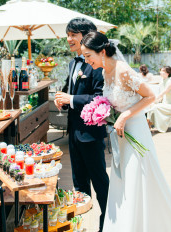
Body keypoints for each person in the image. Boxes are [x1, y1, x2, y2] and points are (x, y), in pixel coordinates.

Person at [81, 31, 171, 232]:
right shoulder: (104, 72)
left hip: (136, 132)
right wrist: (103, 113)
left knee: (138, 180)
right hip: (120, 136)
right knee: (124, 183)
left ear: (101, 52)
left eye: (88, 56)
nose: (86, 61)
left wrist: (125, 115)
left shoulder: (123, 70)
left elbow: (150, 96)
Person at [54, 18, 109, 232]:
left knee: (100, 183)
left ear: (86, 36)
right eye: (67, 34)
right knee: (79, 186)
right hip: (74, 134)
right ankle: (80, 226)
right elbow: (71, 92)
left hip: (91, 134)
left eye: (73, 35)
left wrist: (72, 99)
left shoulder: (97, 63)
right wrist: (64, 102)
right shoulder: (72, 63)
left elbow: (100, 98)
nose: (68, 39)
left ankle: (107, 224)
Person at [147, 66, 171, 133]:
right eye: (161, 70)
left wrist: (152, 100)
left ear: (168, 73)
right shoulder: (162, 81)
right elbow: (161, 97)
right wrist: (154, 102)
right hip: (165, 104)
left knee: (156, 107)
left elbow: (162, 93)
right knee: (152, 106)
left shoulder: (170, 82)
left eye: (163, 71)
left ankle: (158, 126)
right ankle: (149, 125)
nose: (160, 72)